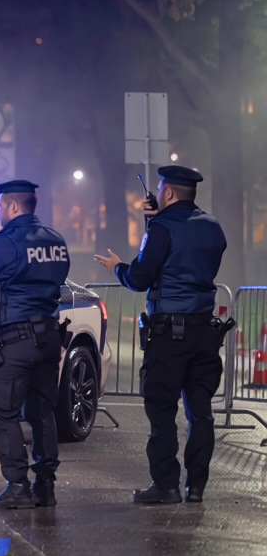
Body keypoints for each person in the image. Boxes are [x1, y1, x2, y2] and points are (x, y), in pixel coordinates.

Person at [94, 165, 227, 504]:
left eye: (159, 189)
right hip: (204, 333)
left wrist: (118, 268)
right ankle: (196, 486)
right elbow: (183, 259)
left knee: (162, 410)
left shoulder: (162, 229)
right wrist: (155, 223)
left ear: (166, 193)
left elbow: (140, 277)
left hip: (169, 336)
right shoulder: (213, 228)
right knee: (201, 412)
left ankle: (166, 485)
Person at [0, 179, 69, 509]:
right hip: (50, 338)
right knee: (41, 411)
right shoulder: (56, 240)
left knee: (1, 408)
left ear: (12, 206)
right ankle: (45, 486)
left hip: (16, 340)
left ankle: (17, 485)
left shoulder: (4, 243)